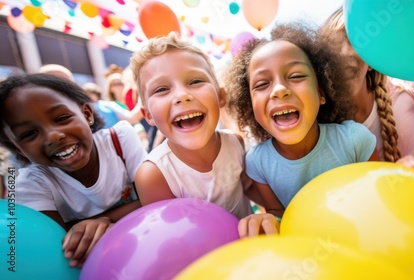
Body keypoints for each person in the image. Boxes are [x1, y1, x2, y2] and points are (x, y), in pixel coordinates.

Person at [222, 22, 380, 237]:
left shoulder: (354, 139)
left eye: (296, 76)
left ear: (322, 93)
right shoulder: (258, 162)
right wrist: (267, 222)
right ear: (251, 107)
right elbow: (279, 215)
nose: (279, 90)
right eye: (261, 84)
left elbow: (381, 194)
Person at [0, 74, 147, 267]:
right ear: (18, 148)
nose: (53, 136)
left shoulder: (119, 139)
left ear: (87, 114)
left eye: (62, 118)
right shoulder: (30, 183)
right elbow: (56, 246)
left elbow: (155, 199)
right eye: (29, 133)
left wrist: (101, 221)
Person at [129, 32, 259, 219]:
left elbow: (250, 189)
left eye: (196, 81)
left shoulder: (235, 143)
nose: (182, 95)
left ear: (221, 96)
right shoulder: (154, 175)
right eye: (162, 89)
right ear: (148, 115)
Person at [318, 8, 414, 162]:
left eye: (355, 41)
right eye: (334, 46)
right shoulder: (329, 129)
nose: (344, 53)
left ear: (372, 60)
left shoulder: (403, 89)